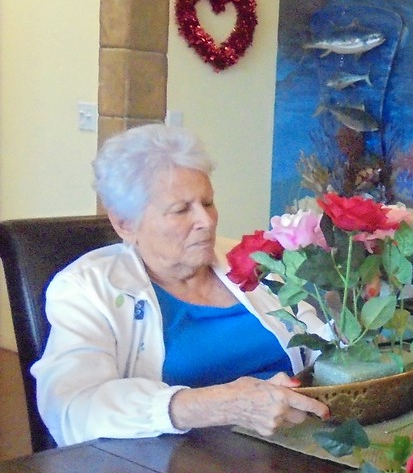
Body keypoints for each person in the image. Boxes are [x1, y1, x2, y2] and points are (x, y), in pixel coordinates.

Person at [33, 124, 330, 446]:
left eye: (208, 202)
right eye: (181, 209)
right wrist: (221, 404)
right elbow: (71, 408)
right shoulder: (87, 288)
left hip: (293, 444)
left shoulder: (247, 259)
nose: (206, 221)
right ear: (125, 223)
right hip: (173, 461)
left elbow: (320, 345)